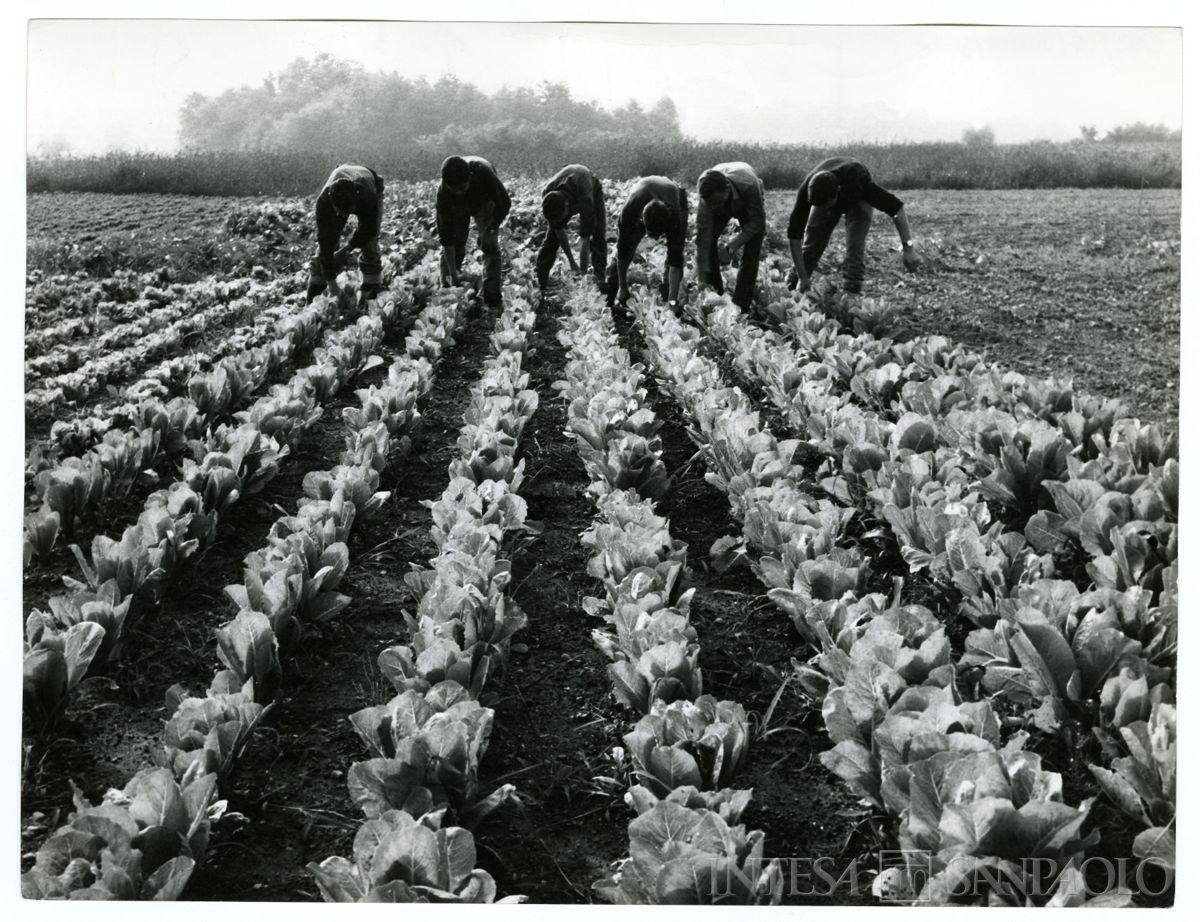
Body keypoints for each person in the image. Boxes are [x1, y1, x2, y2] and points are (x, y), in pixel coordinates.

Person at [786, 155, 920, 294]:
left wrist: (908, 248)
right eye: (820, 206)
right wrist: (802, 276)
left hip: (857, 196)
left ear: (837, 192)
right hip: (828, 189)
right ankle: (792, 285)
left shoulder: (860, 183)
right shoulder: (807, 191)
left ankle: (851, 293)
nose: (826, 210)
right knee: (813, 241)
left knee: (855, 244)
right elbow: (794, 235)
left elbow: (897, 209)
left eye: (827, 205)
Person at [437, 155, 511, 307]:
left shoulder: (483, 173)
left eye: (462, 188)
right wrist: (452, 274)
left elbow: (504, 203)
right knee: (455, 246)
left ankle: (491, 298)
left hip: (483, 201)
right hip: (457, 208)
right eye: (453, 189)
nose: (458, 192)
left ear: (470, 177)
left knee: (489, 247)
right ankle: (448, 296)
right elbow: (446, 238)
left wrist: (490, 229)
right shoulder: (444, 194)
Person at [306, 164, 385, 306]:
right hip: (341, 189)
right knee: (327, 246)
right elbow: (325, 242)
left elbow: (368, 230)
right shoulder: (324, 203)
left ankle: (370, 295)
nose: (345, 216)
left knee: (370, 245)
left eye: (348, 211)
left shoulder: (367, 197)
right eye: (341, 213)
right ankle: (314, 298)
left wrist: (345, 250)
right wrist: (333, 287)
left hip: (370, 181)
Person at [606, 175, 688, 310]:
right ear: (642, 222)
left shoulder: (674, 218)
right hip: (641, 193)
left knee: (675, 253)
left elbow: (675, 262)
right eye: (652, 234)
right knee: (627, 248)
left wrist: (672, 301)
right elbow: (622, 253)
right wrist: (623, 286)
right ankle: (612, 297)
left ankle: (670, 300)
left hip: (675, 195)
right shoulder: (629, 213)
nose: (655, 239)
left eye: (658, 235)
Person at [695, 162, 766, 309]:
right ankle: (715, 297)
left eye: (717, 202)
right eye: (710, 204)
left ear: (727, 188)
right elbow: (703, 239)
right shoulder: (707, 195)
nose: (714, 207)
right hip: (722, 196)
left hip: (746, 199)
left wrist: (731, 247)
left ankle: (741, 305)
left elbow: (756, 222)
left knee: (752, 249)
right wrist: (703, 280)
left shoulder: (749, 185)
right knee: (708, 247)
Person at [537, 163, 607, 291]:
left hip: (590, 187)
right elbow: (558, 229)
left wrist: (583, 276)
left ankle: (599, 279)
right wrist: (572, 262)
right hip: (568, 188)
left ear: (567, 207)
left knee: (598, 234)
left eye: (562, 217)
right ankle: (541, 279)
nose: (561, 220)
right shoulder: (548, 196)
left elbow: (585, 240)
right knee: (551, 239)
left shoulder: (585, 201)